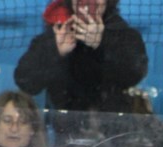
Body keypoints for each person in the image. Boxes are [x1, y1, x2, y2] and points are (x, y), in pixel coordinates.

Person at [14, 0, 147, 115]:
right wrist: (55, 51)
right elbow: (25, 81)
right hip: (65, 130)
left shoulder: (124, 36)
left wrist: (103, 42)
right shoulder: (57, 33)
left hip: (112, 129)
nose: (89, 3)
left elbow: (134, 73)